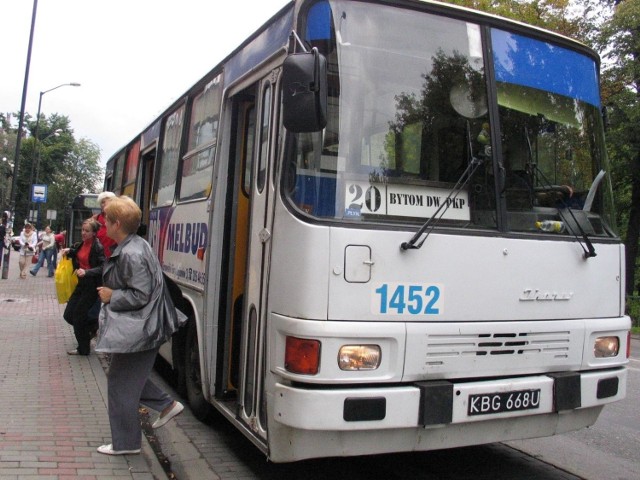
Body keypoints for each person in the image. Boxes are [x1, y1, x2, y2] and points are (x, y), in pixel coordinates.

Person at [95, 196, 185, 456]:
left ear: (117, 224)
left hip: (140, 330)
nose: (104, 225)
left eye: (107, 221)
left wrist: (112, 295)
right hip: (144, 328)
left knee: (119, 385)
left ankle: (126, 444)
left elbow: (140, 294)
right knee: (126, 380)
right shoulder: (136, 245)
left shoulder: (131, 252)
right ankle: (166, 406)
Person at [61, 218, 105, 355]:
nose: (83, 233)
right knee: (69, 315)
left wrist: (87, 272)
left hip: (91, 285)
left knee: (79, 316)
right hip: (80, 284)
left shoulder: (98, 247)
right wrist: (70, 251)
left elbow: (104, 267)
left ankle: (83, 349)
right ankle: (91, 326)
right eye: (82, 230)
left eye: (87, 231)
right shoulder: (82, 244)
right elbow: (79, 254)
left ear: (94, 233)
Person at [94, 191, 117, 259]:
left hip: (114, 256)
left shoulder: (119, 217)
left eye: (104, 202)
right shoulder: (96, 218)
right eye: (101, 203)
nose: (102, 205)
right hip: (99, 258)